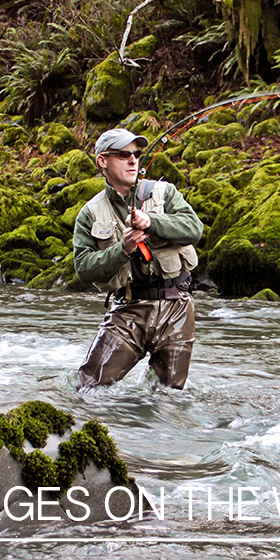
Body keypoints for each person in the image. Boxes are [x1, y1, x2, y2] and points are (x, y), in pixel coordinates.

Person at [73, 128, 204, 390]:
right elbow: (84, 269)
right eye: (123, 155)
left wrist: (152, 222)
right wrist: (122, 249)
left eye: (136, 154)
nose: (133, 160)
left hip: (176, 307)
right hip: (128, 309)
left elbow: (194, 229)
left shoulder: (165, 193)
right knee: (88, 386)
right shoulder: (90, 213)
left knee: (168, 396)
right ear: (102, 161)